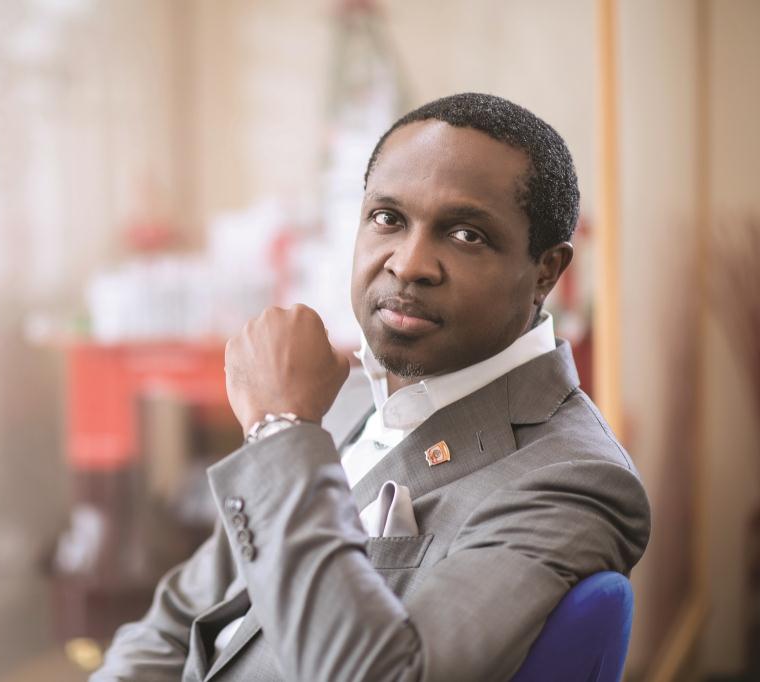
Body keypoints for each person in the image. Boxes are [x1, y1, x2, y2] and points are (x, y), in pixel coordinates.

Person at [92, 93, 651, 681]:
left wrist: (279, 428)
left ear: (546, 271)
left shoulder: (574, 478)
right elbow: (176, 620)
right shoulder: (340, 401)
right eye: (388, 219)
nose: (408, 264)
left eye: (466, 234)